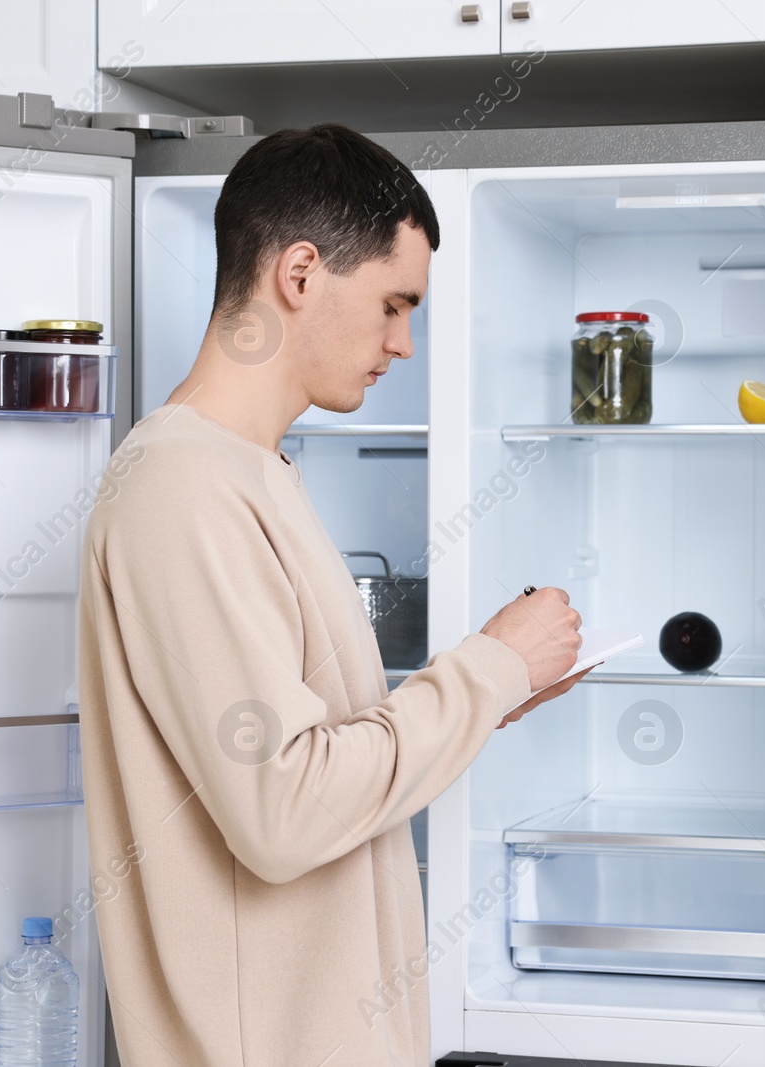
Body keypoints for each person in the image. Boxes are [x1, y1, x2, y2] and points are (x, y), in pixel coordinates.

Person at [78, 123, 587, 1067]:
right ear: (300, 274)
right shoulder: (182, 485)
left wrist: (495, 691)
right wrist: (485, 672)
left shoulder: (251, 469)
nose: (402, 342)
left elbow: (303, 749)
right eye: (395, 303)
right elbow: (286, 811)